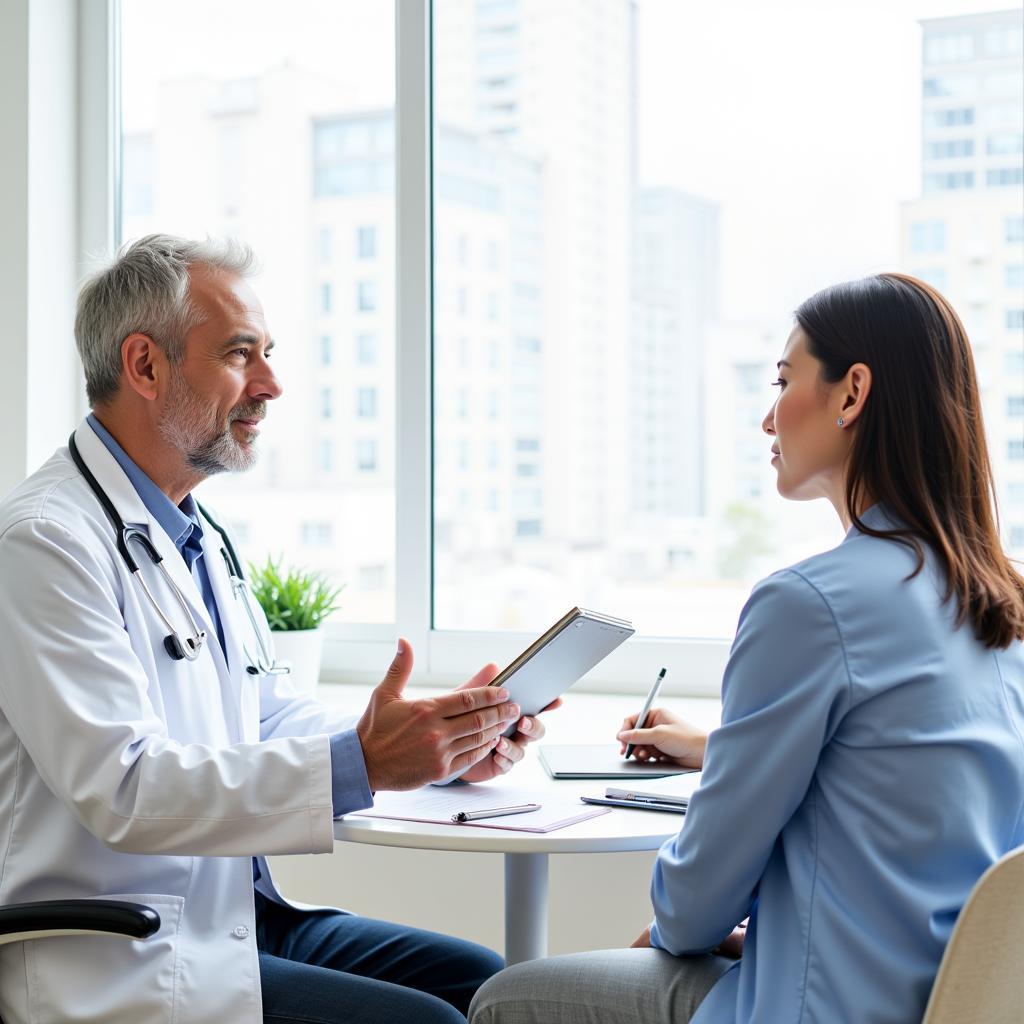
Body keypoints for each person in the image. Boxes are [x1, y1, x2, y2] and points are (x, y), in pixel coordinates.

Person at [0, 234, 559, 1024]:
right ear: (145, 366)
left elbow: (264, 715)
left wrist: (429, 743)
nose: (271, 384)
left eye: (267, 354)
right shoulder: (46, 541)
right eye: (240, 354)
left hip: (233, 918)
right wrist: (363, 763)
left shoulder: (195, 536)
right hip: (119, 948)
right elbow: (124, 788)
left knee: (488, 982)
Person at [469, 273, 1024, 1024]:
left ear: (851, 393)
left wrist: (693, 930)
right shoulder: (998, 602)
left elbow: (694, 903)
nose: (768, 419)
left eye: (785, 380)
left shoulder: (809, 605)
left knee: (505, 999)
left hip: (816, 1008)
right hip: (942, 999)